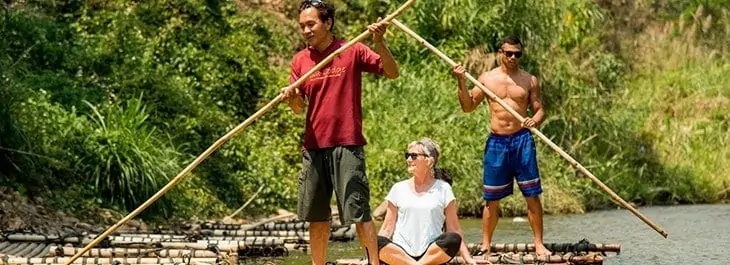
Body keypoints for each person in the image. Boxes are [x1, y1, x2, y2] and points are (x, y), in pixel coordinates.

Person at [279, 0, 399, 264]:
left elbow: (392, 72)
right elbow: (299, 109)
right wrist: (291, 97)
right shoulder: (300, 61)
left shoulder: (352, 49)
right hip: (313, 147)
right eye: (302, 26)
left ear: (328, 23)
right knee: (316, 217)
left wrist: (379, 42)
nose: (306, 30)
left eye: (311, 24)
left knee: (359, 212)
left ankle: (374, 262)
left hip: (347, 144)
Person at [451, 36, 551, 256]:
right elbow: (467, 107)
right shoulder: (487, 79)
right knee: (491, 199)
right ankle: (486, 244)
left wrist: (535, 120)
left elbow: (539, 109)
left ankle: (539, 243)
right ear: (500, 53)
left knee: (532, 195)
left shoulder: (529, 80)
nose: (513, 57)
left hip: (522, 140)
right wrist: (460, 81)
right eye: (509, 53)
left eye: (517, 54)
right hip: (497, 143)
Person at [377, 138, 477, 265]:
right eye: (407, 156)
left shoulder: (444, 189)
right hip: (401, 254)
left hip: (432, 254)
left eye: (413, 156)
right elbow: (386, 229)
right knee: (374, 241)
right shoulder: (398, 188)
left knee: (452, 239)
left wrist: (468, 258)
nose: (408, 160)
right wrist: (373, 255)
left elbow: (454, 229)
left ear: (429, 160)